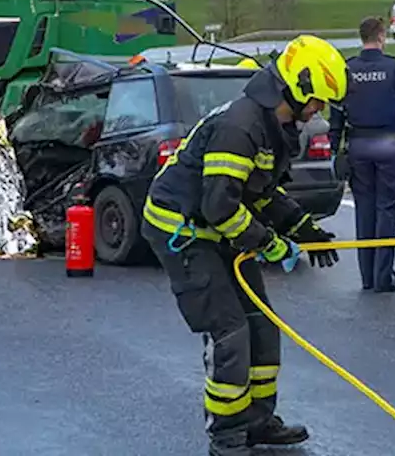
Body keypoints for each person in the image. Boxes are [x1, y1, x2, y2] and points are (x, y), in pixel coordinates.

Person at [140, 34, 345, 456]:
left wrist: (305, 230)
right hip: (186, 234)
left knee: (261, 324)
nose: (319, 112)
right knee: (229, 330)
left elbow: (261, 192)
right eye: (318, 101)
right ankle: (226, 435)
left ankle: (257, 421)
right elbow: (219, 206)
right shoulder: (241, 126)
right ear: (299, 87)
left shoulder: (274, 126)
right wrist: (270, 245)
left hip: (220, 231)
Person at [328, 17, 395, 293]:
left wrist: (334, 147)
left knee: (364, 211)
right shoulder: (394, 68)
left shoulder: (348, 70)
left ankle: (367, 277)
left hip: (358, 146)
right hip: (389, 146)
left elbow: (336, 113)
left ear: (362, 38)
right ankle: (384, 277)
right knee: (387, 211)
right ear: (381, 37)